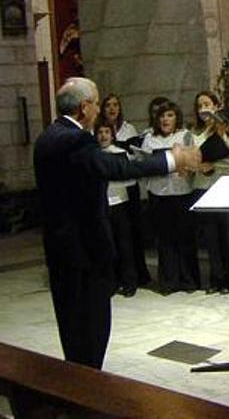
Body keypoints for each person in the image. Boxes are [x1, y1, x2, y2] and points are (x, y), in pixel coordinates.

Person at [34, 77, 200, 369]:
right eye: (96, 103)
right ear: (84, 107)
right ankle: (87, 393)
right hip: (84, 251)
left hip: (61, 249)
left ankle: (80, 382)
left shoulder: (48, 136)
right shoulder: (75, 139)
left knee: (73, 328)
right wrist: (171, 160)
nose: (98, 110)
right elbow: (115, 167)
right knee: (90, 329)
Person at [143, 100, 200, 294]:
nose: (165, 119)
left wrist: (188, 168)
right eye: (162, 116)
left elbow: (195, 161)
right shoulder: (150, 139)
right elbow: (143, 164)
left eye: (170, 115)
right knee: (165, 240)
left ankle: (188, 279)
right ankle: (169, 281)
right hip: (160, 193)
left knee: (185, 238)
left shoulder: (185, 136)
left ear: (177, 118)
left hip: (182, 192)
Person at [190, 91, 229, 294]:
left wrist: (220, 136)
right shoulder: (193, 133)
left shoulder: (227, 129)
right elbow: (190, 160)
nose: (204, 109)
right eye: (200, 106)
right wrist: (199, 166)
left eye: (207, 104)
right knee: (211, 237)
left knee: (227, 235)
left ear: (216, 106)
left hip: (224, 185)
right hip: (203, 187)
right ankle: (215, 278)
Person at [100, 94, 150, 287]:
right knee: (114, 236)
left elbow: (135, 154)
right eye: (108, 105)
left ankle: (137, 275)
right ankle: (117, 277)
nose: (112, 109)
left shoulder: (128, 128)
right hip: (110, 192)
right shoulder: (98, 132)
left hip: (129, 188)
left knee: (131, 233)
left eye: (115, 105)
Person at [94, 118, 139, 298]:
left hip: (119, 202)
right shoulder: (94, 154)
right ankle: (110, 282)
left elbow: (129, 178)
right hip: (102, 205)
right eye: (100, 132)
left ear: (112, 135)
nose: (103, 136)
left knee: (124, 245)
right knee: (107, 246)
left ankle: (129, 282)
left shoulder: (120, 153)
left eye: (106, 132)